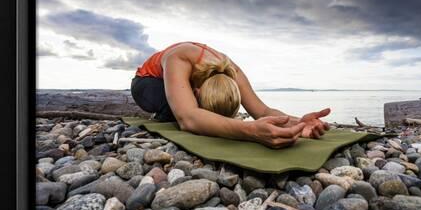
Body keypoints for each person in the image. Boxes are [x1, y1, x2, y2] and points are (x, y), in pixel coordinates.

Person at [130, 41, 330, 149]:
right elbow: (188, 119)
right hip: (147, 83)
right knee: (178, 114)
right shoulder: (180, 58)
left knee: (205, 122)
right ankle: (167, 111)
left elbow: (263, 111)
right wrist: (249, 131)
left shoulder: (233, 71)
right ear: (197, 93)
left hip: (189, 89)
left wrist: (297, 123)